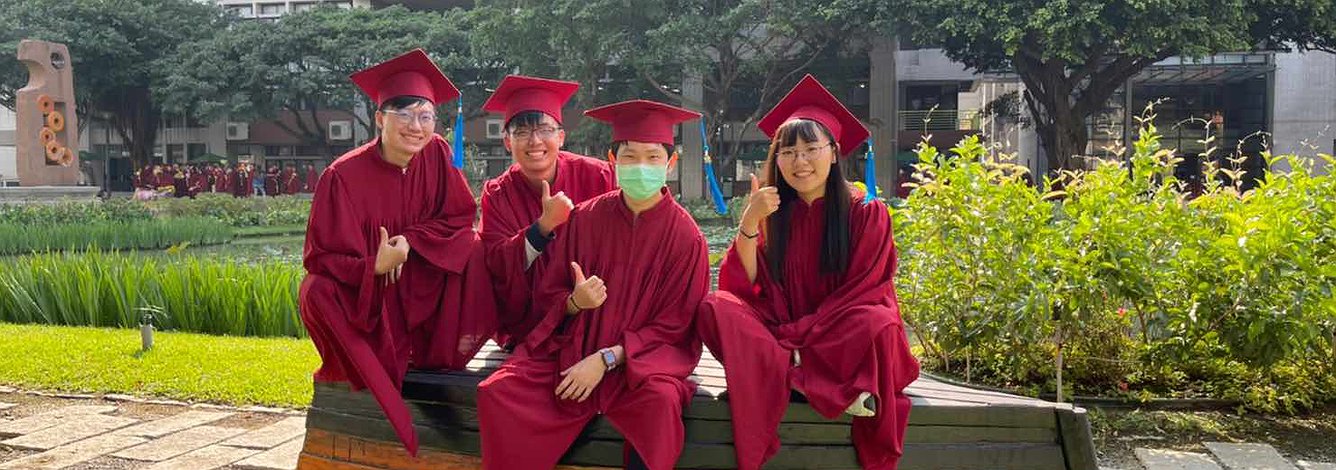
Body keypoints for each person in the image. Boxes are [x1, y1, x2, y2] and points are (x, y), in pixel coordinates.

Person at [694, 75, 920, 470]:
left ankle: (785, 371)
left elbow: (864, 291)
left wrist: (799, 339)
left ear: (833, 153)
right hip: (791, 337)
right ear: (777, 159)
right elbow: (745, 283)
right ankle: (809, 376)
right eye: (789, 151)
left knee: (877, 323)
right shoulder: (775, 214)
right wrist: (750, 220)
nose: (800, 162)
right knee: (716, 307)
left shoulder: (867, 212)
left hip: (837, 331)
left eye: (811, 149)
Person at [477, 100, 709, 470]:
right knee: (500, 392)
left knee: (661, 405)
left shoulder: (686, 238)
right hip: (573, 350)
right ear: (613, 161)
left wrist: (607, 358)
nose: (641, 166)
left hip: (638, 367)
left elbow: (675, 327)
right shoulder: (585, 219)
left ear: (671, 163)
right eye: (630, 157)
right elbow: (548, 293)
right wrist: (573, 303)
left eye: (652, 157)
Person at [298, 48, 497, 456]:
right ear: (379, 119)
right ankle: (373, 367)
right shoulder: (342, 176)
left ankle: (439, 354)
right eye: (403, 114)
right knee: (315, 290)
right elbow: (322, 258)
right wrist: (375, 265)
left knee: (474, 247)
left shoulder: (437, 153)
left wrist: (411, 241)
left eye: (425, 116)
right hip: (370, 295)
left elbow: (459, 215)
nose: (415, 126)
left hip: (419, 276)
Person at [478, 75, 615, 349]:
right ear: (507, 142)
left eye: (544, 130)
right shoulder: (497, 193)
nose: (535, 141)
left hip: (597, 316)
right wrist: (542, 228)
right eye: (522, 132)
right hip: (530, 322)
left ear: (561, 137)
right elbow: (496, 265)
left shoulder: (600, 176)